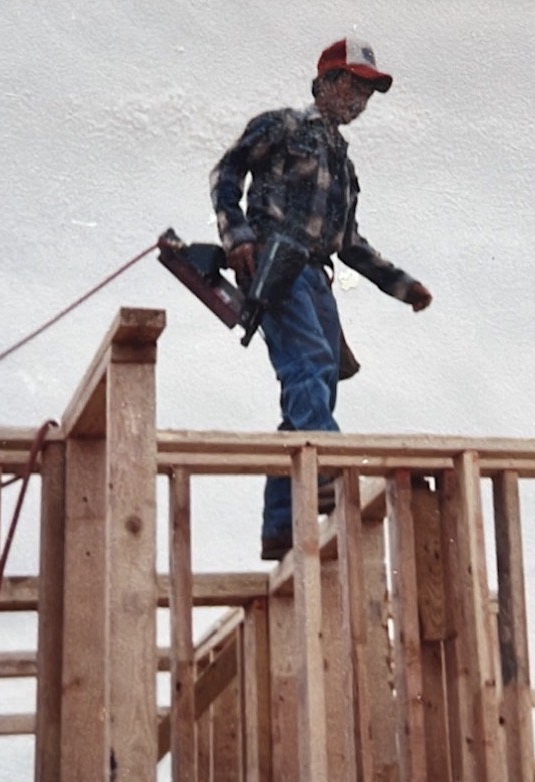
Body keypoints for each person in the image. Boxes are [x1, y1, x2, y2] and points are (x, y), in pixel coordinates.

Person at [211, 37, 433, 560]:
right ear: (327, 83)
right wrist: (238, 236)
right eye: (353, 85)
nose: (359, 98)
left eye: (368, 91)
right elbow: (227, 171)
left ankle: (282, 521)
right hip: (276, 261)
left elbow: (350, 243)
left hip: (316, 275)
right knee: (307, 364)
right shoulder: (284, 126)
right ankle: (329, 470)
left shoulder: (343, 164)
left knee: (321, 381)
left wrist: (402, 287)